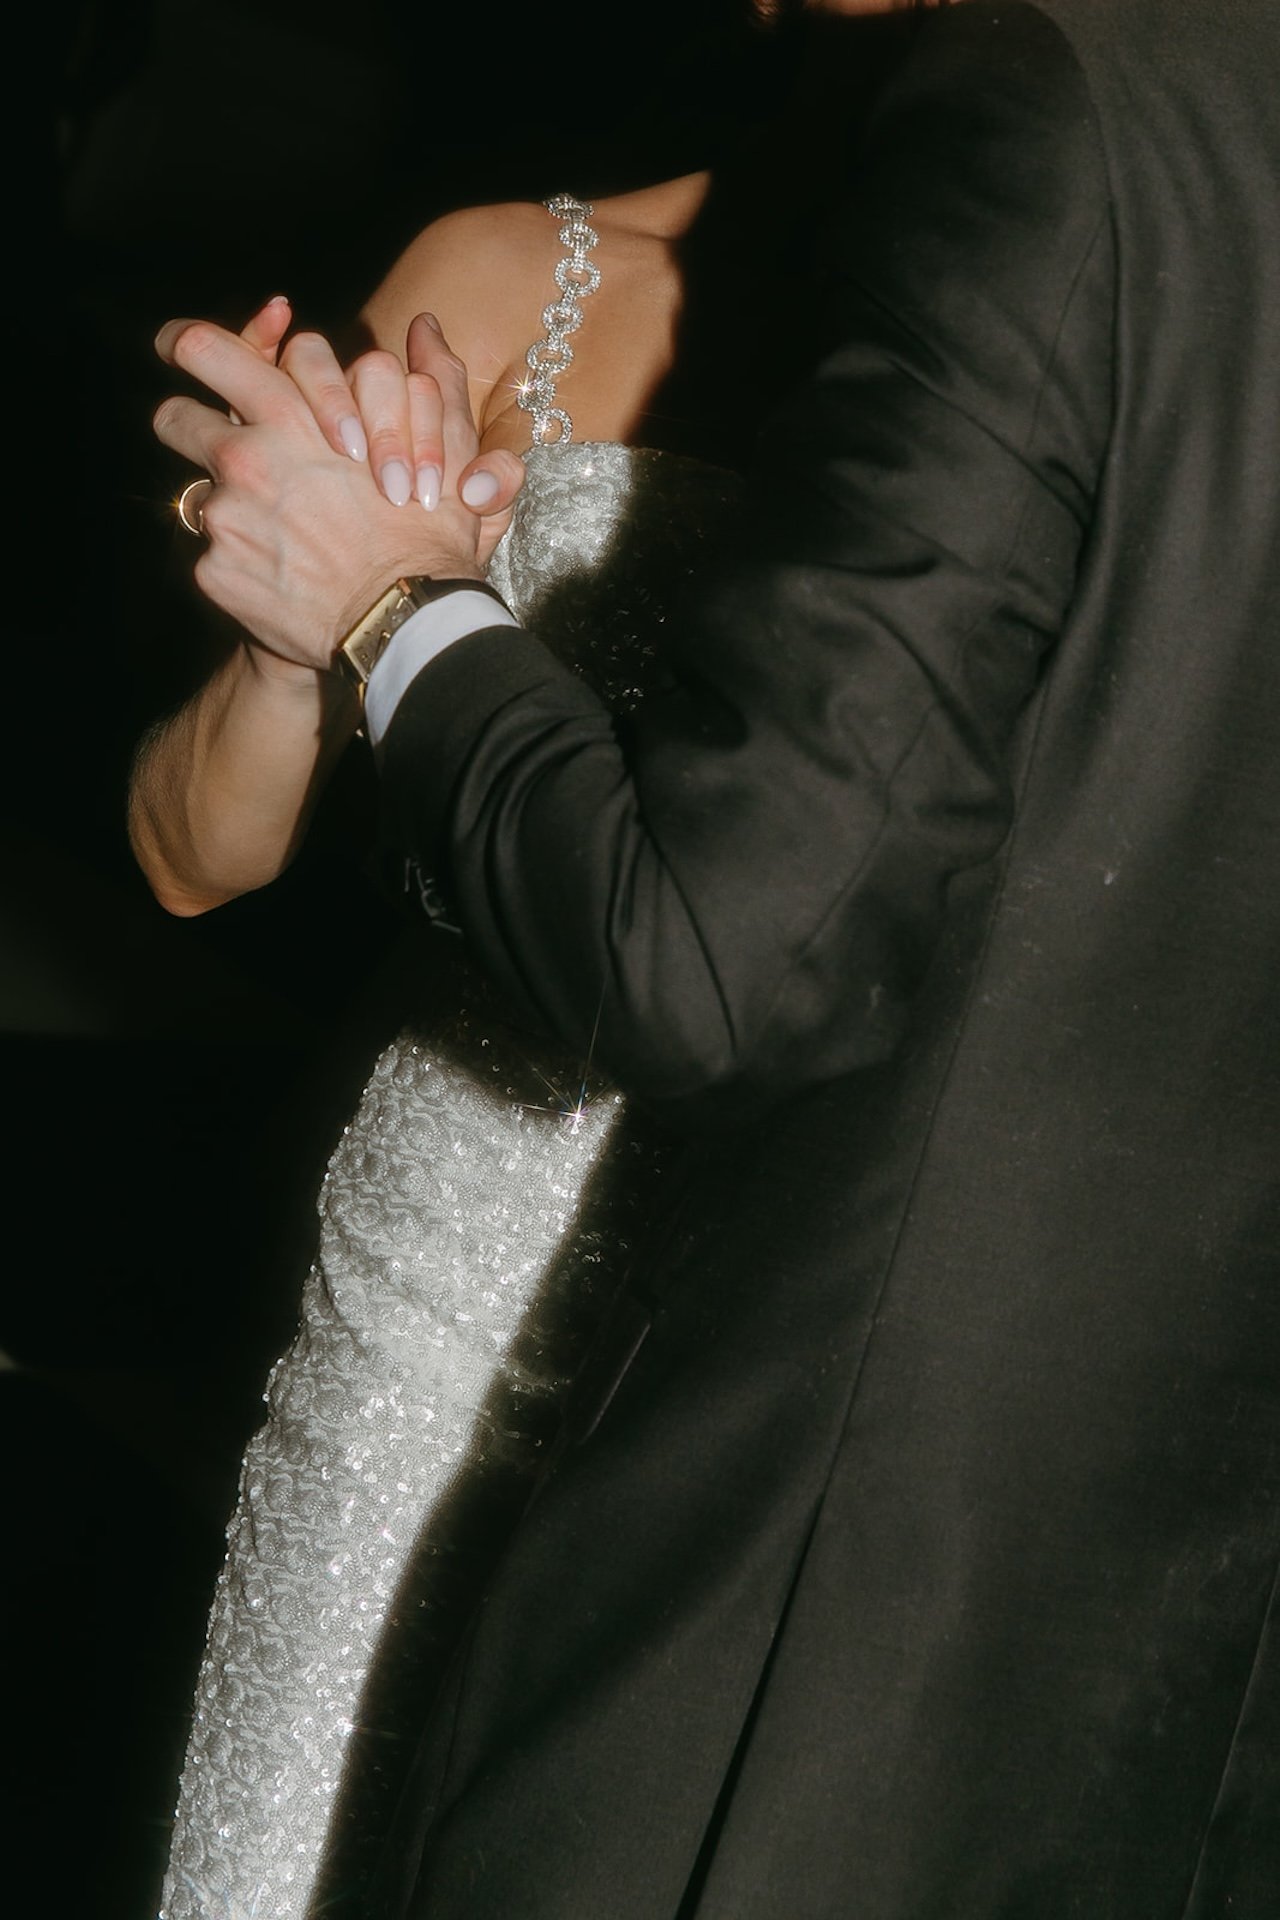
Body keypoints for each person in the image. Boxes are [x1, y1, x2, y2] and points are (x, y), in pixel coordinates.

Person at [138, 0, 1279, 1914]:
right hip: (449, 1311)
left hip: (778, 1313)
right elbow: (190, 857)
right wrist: (296, 629)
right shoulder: (517, 273)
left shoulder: (1094, 286)